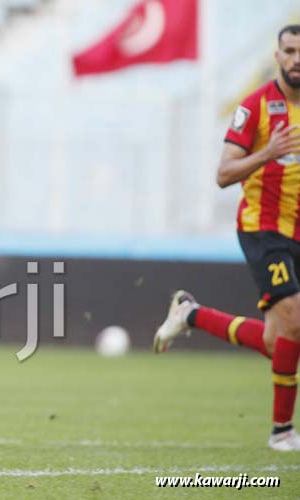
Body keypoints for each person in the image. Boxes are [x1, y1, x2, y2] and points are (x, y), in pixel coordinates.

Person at [154, 25, 300, 451]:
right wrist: (268, 153)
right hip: (264, 229)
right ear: (277, 56)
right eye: (289, 51)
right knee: (293, 315)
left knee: (280, 342)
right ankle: (281, 432)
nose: (296, 59)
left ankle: (190, 314)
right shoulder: (255, 107)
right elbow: (223, 175)